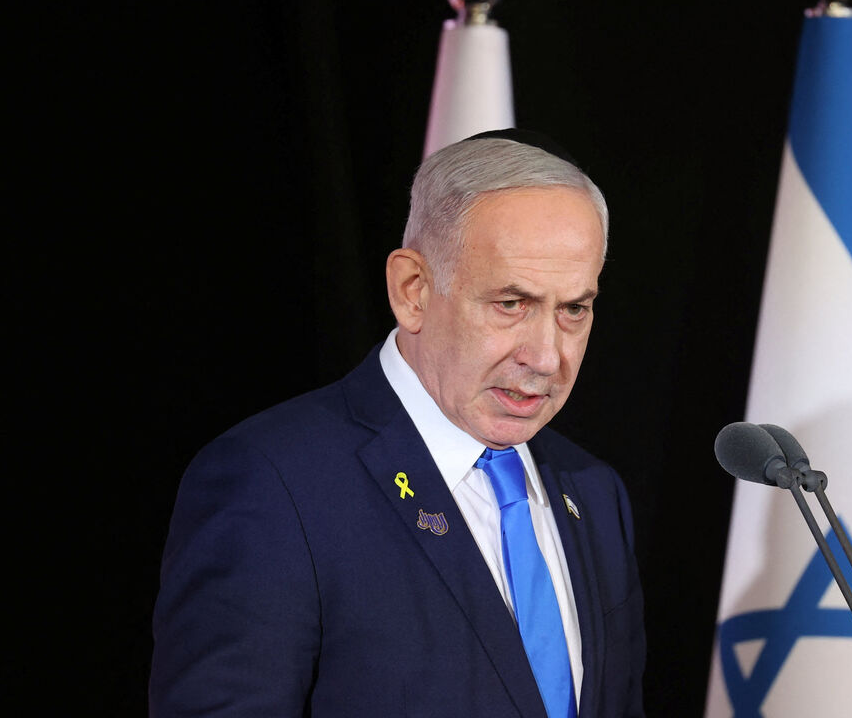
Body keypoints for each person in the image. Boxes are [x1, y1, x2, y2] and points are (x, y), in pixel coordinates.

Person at [150, 129, 645, 718]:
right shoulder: (274, 485)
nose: (545, 356)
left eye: (573, 310)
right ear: (412, 290)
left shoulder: (593, 490)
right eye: (511, 304)